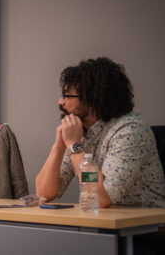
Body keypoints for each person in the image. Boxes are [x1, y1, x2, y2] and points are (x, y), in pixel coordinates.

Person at [35, 57, 165, 207]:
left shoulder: (130, 130)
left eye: (67, 96)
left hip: (145, 227)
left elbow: (101, 198)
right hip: (101, 224)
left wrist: (74, 146)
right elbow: (44, 193)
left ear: (92, 100)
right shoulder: (79, 132)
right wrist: (59, 145)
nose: (60, 102)